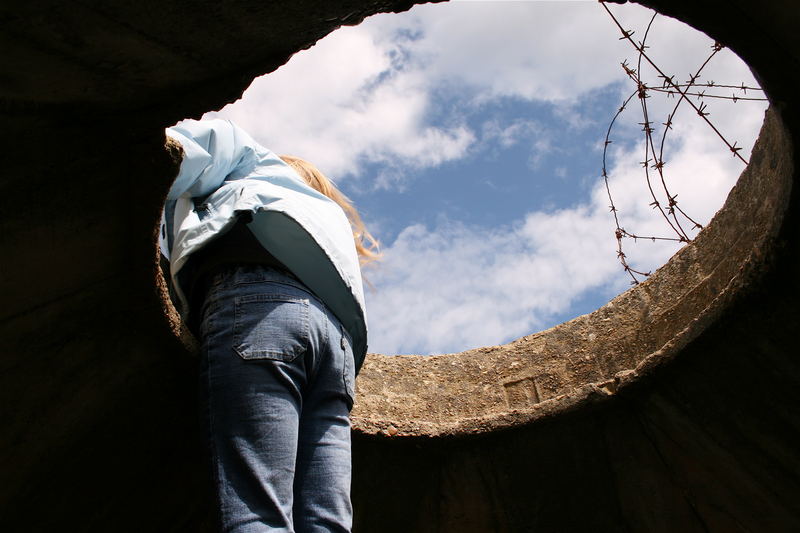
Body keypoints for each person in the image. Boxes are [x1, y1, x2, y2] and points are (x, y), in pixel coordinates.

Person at [159, 118, 379, 532]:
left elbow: (199, 145)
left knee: (258, 511)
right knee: (327, 522)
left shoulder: (258, 166)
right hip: (336, 349)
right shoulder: (326, 219)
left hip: (262, 306)